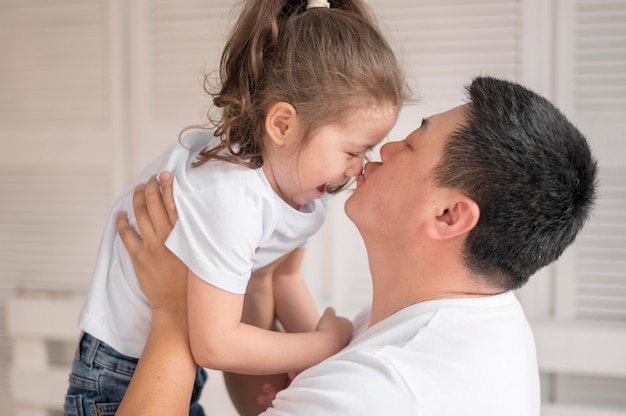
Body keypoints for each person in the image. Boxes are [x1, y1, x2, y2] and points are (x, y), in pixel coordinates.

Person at [115, 76, 598, 415]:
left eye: (411, 143)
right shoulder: (464, 319)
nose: (381, 151)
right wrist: (264, 276)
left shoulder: (384, 390)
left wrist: (174, 313)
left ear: (448, 215)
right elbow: (271, 400)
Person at [64, 0, 408, 414]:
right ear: (282, 125)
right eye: (354, 150)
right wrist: (322, 343)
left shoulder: (304, 190)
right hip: (121, 367)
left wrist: (321, 365)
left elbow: (283, 277)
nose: (360, 167)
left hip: (176, 355)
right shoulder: (231, 196)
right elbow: (216, 343)